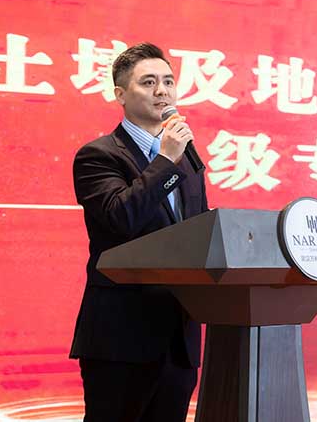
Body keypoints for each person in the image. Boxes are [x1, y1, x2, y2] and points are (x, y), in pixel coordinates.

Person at [69, 42, 209, 422]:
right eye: (148, 82)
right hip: (121, 339)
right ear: (120, 94)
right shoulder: (99, 156)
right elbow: (121, 218)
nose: (162, 91)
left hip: (178, 340)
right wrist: (165, 160)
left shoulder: (187, 161)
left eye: (168, 81)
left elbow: (200, 235)